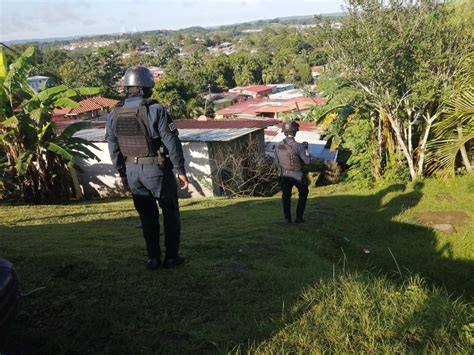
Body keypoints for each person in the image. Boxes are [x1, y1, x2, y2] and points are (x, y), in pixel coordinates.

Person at [106, 66, 189, 270]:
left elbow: (113, 146)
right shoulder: (156, 109)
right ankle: (171, 258)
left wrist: (122, 172)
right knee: (170, 213)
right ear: (146, 86)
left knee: (147, 217)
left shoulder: (114, 114)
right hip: (156, 170)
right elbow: (171, 141)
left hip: (132, 172)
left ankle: (152, 258)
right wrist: (180, 169)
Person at [274, 120, 311, 224]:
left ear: (284, 132)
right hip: (297, 175)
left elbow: (276, 162)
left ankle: (287, 219)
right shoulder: (299, 146)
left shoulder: (277, 146)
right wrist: (306, 150)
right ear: (295, 132)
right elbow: (307, 162)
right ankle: (299, 218)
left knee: (286, 196)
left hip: (284, 175)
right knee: (303, 193)